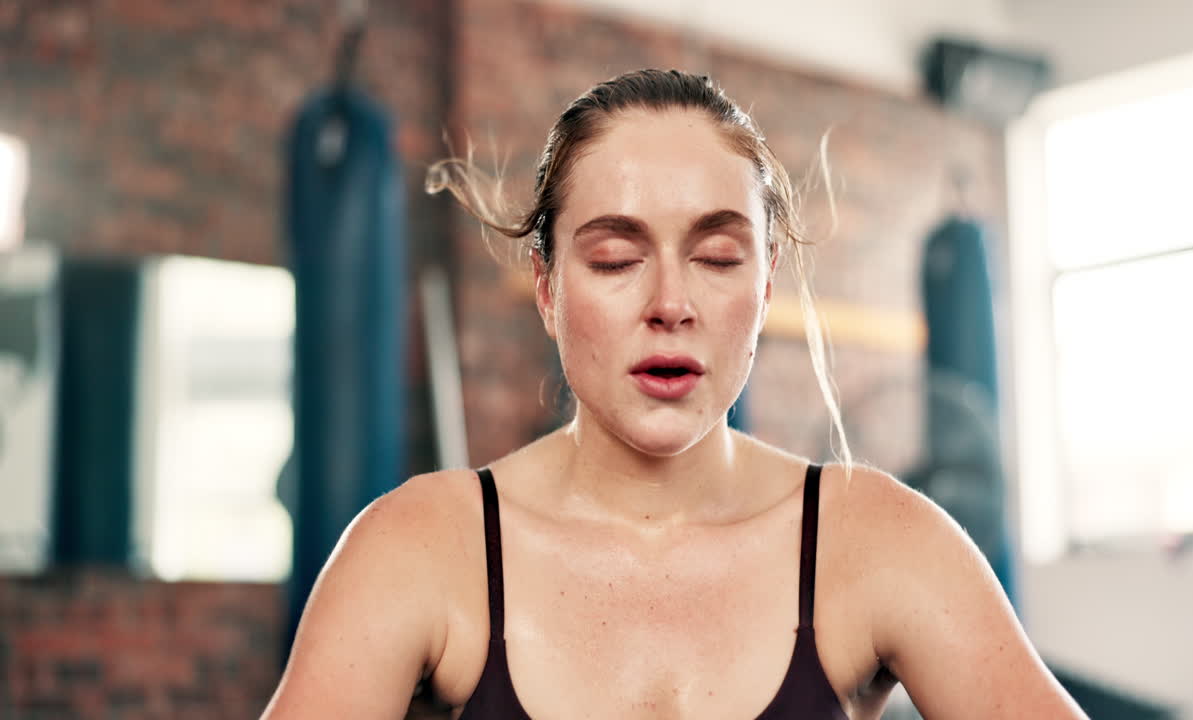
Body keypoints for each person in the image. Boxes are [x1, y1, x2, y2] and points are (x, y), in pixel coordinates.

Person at [260, 69, 1085, 719]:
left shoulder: (879, 542)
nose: (671, 303)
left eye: (719, 258)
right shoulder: (417, 549)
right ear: (547, 289)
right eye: (617, 259)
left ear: (764, 291)